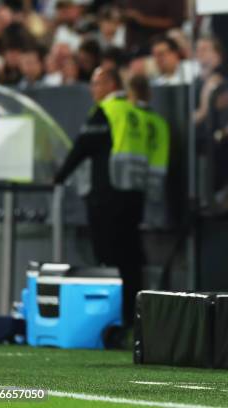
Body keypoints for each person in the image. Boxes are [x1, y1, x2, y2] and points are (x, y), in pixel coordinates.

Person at [54, 67, 146, 334]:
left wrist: (59, 176)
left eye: (97, 83)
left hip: (107, 195)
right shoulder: (136, 113)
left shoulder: (107, 111)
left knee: (108, 258)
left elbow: (83, 147)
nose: (93, 89)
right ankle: (134, 316)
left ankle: (111, 320)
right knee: (131, 259)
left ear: (111, 84)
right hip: (133, 197)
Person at [127, 74, 170, 226]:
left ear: (130, 93)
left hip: (133, 182)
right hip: (157, 180)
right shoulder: (160, 121)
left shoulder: (130, 119)